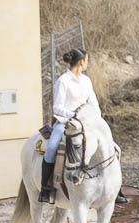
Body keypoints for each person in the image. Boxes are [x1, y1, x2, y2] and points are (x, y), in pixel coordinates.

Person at [40, 48, 106, 203]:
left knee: (111, 145)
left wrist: (95, 118)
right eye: (87, 60)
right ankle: (45, 188)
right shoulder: (63, 81)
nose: (87, 63)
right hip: (65, 122)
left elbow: (93, 103)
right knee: (51, 148)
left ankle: (115, 189)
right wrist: (74, 116)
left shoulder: (86, 80)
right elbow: (57, 107)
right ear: (81, 61)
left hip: (87, 124)